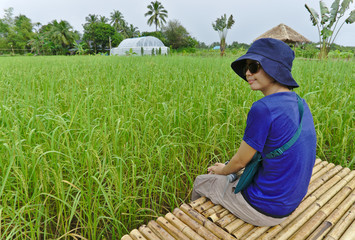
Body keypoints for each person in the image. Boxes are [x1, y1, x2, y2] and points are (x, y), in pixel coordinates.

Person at [191, 38, 317, 226]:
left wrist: (223, 170)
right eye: (246, 68)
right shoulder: (300, 103)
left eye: (255, 66)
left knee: (201, 181)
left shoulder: (263, 108)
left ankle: (196, 226)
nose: (248, 72)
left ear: (274, 68)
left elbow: (241, 161)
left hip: (264, 208)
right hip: (289, 202)